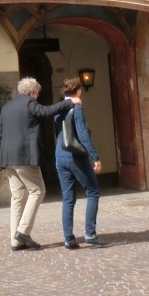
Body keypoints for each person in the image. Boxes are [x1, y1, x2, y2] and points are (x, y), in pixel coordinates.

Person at [0, 77, 69, 251]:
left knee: (17, 197)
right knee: (38, 191)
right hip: (25, 158)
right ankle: (23, 231)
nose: (37, 97)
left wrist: (5, 154)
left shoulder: (7, 107)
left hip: (8, 159)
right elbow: (47, 111)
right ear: (32, 92)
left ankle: (15, 242)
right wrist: (68, 102)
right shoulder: (29, 103)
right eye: (37, 93)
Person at [55, 76, 105, 249]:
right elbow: (82, 134)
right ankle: (90, 233)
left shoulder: (59, 107)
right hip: (75, 156)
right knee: (93, 191)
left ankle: (68, 239)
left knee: (68, 199)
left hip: (60, 155)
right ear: (77, 90)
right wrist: (95, 156)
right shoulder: (77, 108)